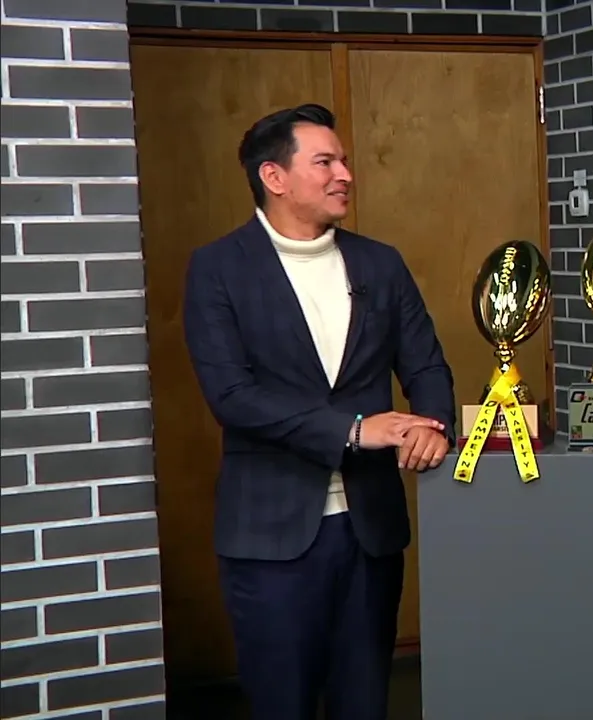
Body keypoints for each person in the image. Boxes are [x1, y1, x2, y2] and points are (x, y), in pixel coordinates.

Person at [182, 103, 456, 720]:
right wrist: (355, 431)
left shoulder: (380, 263)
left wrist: (432, 427)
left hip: (370, 531)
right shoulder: (218, 269)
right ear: (274, 176)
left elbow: (426, 366)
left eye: (345, 161)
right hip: (270, 537)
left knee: (365, 700)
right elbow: (232, 396)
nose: (345, 175)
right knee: (284, 703)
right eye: (325, 162)